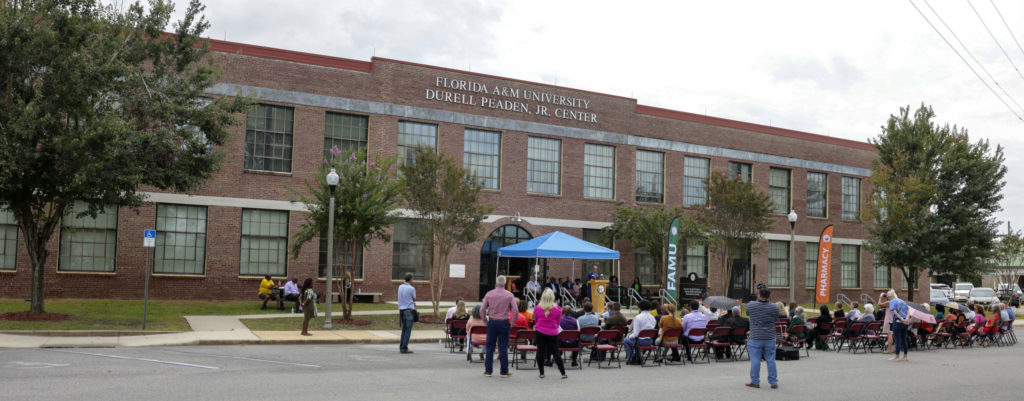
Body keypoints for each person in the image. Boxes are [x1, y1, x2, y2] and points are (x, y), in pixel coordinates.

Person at [481, 275, 518, 377]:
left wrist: (485, 321)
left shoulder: (489, 294)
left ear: (496, 283)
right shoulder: (509, 295)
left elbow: (482, 309)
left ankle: (488, 371)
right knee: (503, 347)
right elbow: (515, 310)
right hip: (504, 322)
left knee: (490, 347)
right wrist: (512, 323)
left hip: (492, 322)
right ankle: (504, 370)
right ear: (505, 284)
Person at [746, 286, 779, 389]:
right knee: (771, 360)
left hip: (755, 336)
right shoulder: (774, 307)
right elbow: (775, 319)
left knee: (755, 360)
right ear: (769, 296)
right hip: (769, 336)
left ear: (759, 295)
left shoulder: (751, 305)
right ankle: (773, 382)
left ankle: (755, 381)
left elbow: (748, 313)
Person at [532, 288, 567, 379]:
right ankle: (563, 373)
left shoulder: (537, 308)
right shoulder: (558, 309)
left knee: (540, 351)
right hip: (552, 332)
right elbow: (558, 322)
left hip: (540, 331)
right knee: (556, 352)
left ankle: (541, 373)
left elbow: (536, 320)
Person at [878, 289, 910, 361]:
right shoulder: (902, 301)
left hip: (897, 321)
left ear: (890, 296)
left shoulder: (892, 301)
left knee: (897, 339)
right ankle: (905, 356)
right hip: (905, 322)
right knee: (904, 339)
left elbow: (894, 312)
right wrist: (906, 319)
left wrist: (901, 319)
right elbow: (908, 312)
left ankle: (897, 356)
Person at [397, 273, 417, 354]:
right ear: (410, 279)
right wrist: (413, 302)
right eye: (412, 279)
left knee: (404, 330)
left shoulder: (400, 287)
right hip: (408, 311)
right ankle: (404, 348)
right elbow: (414, 298)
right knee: (408, 330)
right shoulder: (412, 288)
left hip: (401, 310)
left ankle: (402, 346)